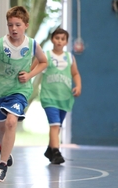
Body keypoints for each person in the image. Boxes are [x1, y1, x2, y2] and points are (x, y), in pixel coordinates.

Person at [0, 6, 48, 182]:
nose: (13, 29)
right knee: (2, 127)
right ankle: (3, 146)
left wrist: (30, 75)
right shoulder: (0, 44)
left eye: (17, 25)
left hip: (19, 91)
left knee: (12, 122)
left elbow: (43, 62)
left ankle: (2, 165)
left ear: (25, 25)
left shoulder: (32, 45)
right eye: (10, 25)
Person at [32, 28, 82, 164]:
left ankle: (49, 149)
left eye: (62, 39)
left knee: (57, 126)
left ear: (66, 42)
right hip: (49, 97)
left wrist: (78, 86)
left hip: (64, 97)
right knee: (54, 125)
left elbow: (75, 74)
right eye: (57, 38)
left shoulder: (70, 57)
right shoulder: (45, 55)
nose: (59, 41)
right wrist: (26, 77)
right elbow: (32, 69)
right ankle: (56, 152)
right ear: (52, 39)